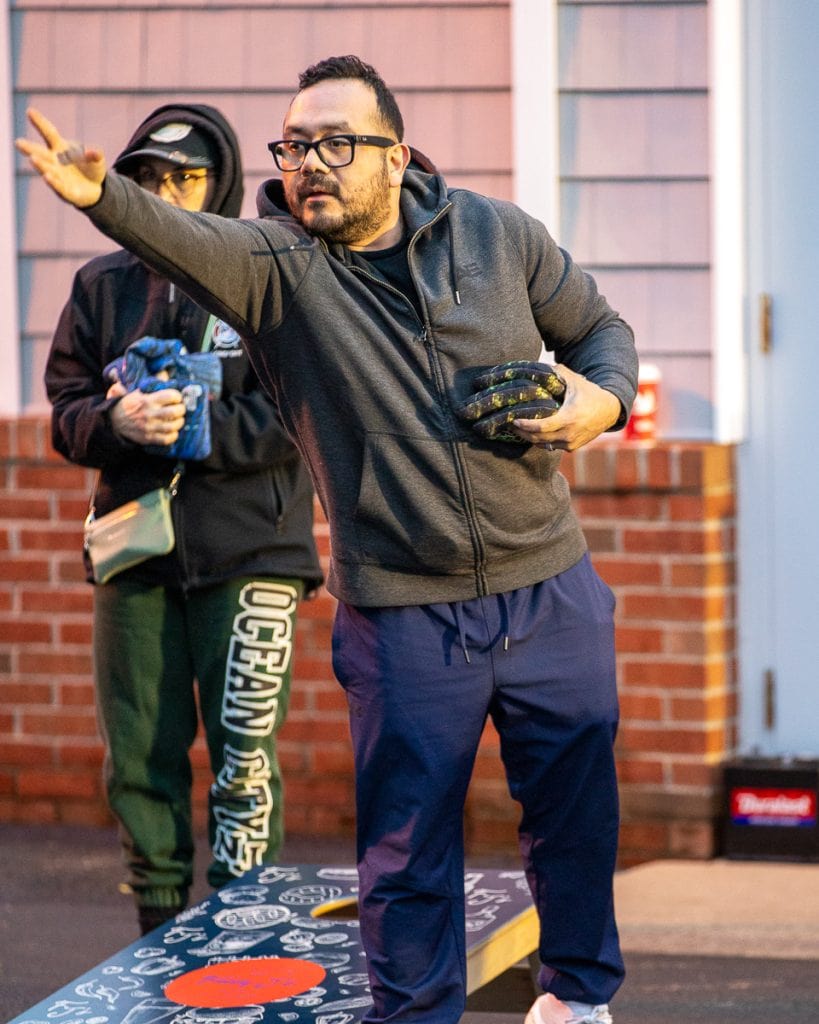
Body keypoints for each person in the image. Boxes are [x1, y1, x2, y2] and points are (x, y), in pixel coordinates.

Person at [17, 56, 638, 1023]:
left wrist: (600, 402)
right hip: (403, 608)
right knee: (407, 848)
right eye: (295, 145)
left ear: (396, 156)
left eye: (337, 144)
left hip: (547, 585)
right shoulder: (278, 269)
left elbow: (597, 326)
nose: (310, 163)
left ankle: (577, 998)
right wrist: (102, 197)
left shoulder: (495, 232)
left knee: (576, 818)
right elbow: (183, 234)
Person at [41, 103, 323, 936]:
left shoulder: (267, 275)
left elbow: (305, 411)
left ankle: (245, 940)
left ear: (220, 181)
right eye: (148, 177)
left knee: (244, 761)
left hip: (253, 554)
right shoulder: (102, 286)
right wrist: (116, 423)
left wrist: (196, 426)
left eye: (186, 177)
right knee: (138, 760)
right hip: (134, 552)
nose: (166, 192)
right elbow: (65, 411)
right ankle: (158, 938)